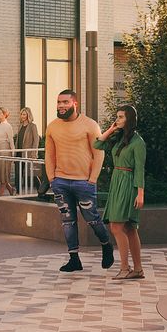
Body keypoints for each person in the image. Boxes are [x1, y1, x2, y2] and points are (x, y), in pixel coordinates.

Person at [44, 89, 114, 273]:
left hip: (84, 182)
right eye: (59, 102)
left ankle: (106, 245)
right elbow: (49, 154)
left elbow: (99, 154)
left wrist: (92, 180)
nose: (61, 106)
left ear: (75, 104)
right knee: (68, 221)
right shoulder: (52, 127)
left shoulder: (90, 125)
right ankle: (74, 259)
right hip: (60, 181)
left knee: (92, 219)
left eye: (65, 102)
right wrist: (52, 178)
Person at [104, 104, 147, 281]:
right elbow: (97, 143)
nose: (117, 119)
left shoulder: (138, 142)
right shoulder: (119, 138)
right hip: (117, 182)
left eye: (121, 117)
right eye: (117, 116)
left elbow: (140, 169)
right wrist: (111, 130)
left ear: (129, 119)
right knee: (129, 228)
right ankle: (138, 269)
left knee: (116, 226)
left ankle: (124, 268)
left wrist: (140, 193)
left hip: (128, 184)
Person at [14, 107, 41, 196]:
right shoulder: (20, 126)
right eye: (21, 114)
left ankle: (41, 191)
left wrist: (34, 153)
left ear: (28, 115)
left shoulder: (32, 126)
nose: (22, 116)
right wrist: (15, 151)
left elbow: (36, 140)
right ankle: (18, 192)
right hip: (19, 153)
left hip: (28, 154)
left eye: (24, 114)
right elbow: (18, 140)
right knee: (18, 173)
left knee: (32, 174)